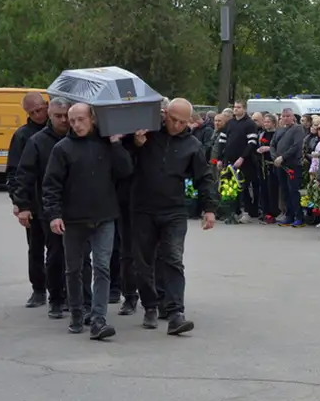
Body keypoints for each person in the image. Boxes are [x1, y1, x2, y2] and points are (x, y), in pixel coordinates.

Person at [41, 103, 133, 339]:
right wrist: (54, 215)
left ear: (92, 118)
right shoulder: (63, 149)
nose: (76, 125)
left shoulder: (106, 144)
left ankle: (99, 319)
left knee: (102, 268)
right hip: (73, 219)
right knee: (73, 269)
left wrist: (115, 144)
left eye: (81, 119)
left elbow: (125, 171)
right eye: (72, 121)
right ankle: (76, 314)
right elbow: (51, 185)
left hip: (104, 216)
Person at [128, 99, 216, 334]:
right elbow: (123, 162)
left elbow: (204, 177)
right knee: (142, 261)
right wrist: (137, 144)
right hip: (143, 208)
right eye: (173, 119)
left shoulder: (192, 145)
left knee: (173, 259)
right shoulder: (147, 134)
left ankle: (176, 312)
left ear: (189, 121)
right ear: (165, 114)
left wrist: (209, 208)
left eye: (182, 121)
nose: (176, 125)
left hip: (174, 210)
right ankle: (150, 306)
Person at [14, 98, 92, 319]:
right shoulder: (37, 141)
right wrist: (23, 205)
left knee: (82, 257)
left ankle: (80, 300)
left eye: (66, 115)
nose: (64, 120)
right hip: (49, 208)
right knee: (56, 255)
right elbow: (24, 174)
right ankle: (55, 299)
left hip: (79, 208)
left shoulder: (83, 140)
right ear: (50, 115)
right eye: (58, 116)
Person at [7, 92, 49, 308]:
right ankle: (39, 289)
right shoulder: (23, 136)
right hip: (32, 201)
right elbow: (14, 172)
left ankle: (61, 289)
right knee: (35, 247)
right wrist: (18, 201)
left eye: (39, 110)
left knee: (59, 250)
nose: (37, 115)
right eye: (32, 113)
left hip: (55, 201)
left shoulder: (61, 129)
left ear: (46, 105)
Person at [216, 101, 259, 222]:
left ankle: (246, 212)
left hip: (244, 161)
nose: (236, 109)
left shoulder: (250, 123)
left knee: (243, 187)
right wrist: (220, 158)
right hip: (229, 160)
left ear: (244, 109)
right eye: (234, 107)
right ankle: (232, 212)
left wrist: (242, 157)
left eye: (238, 107)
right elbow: (222, 141)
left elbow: (252, 143)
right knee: (230, 187)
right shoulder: (230, 123)